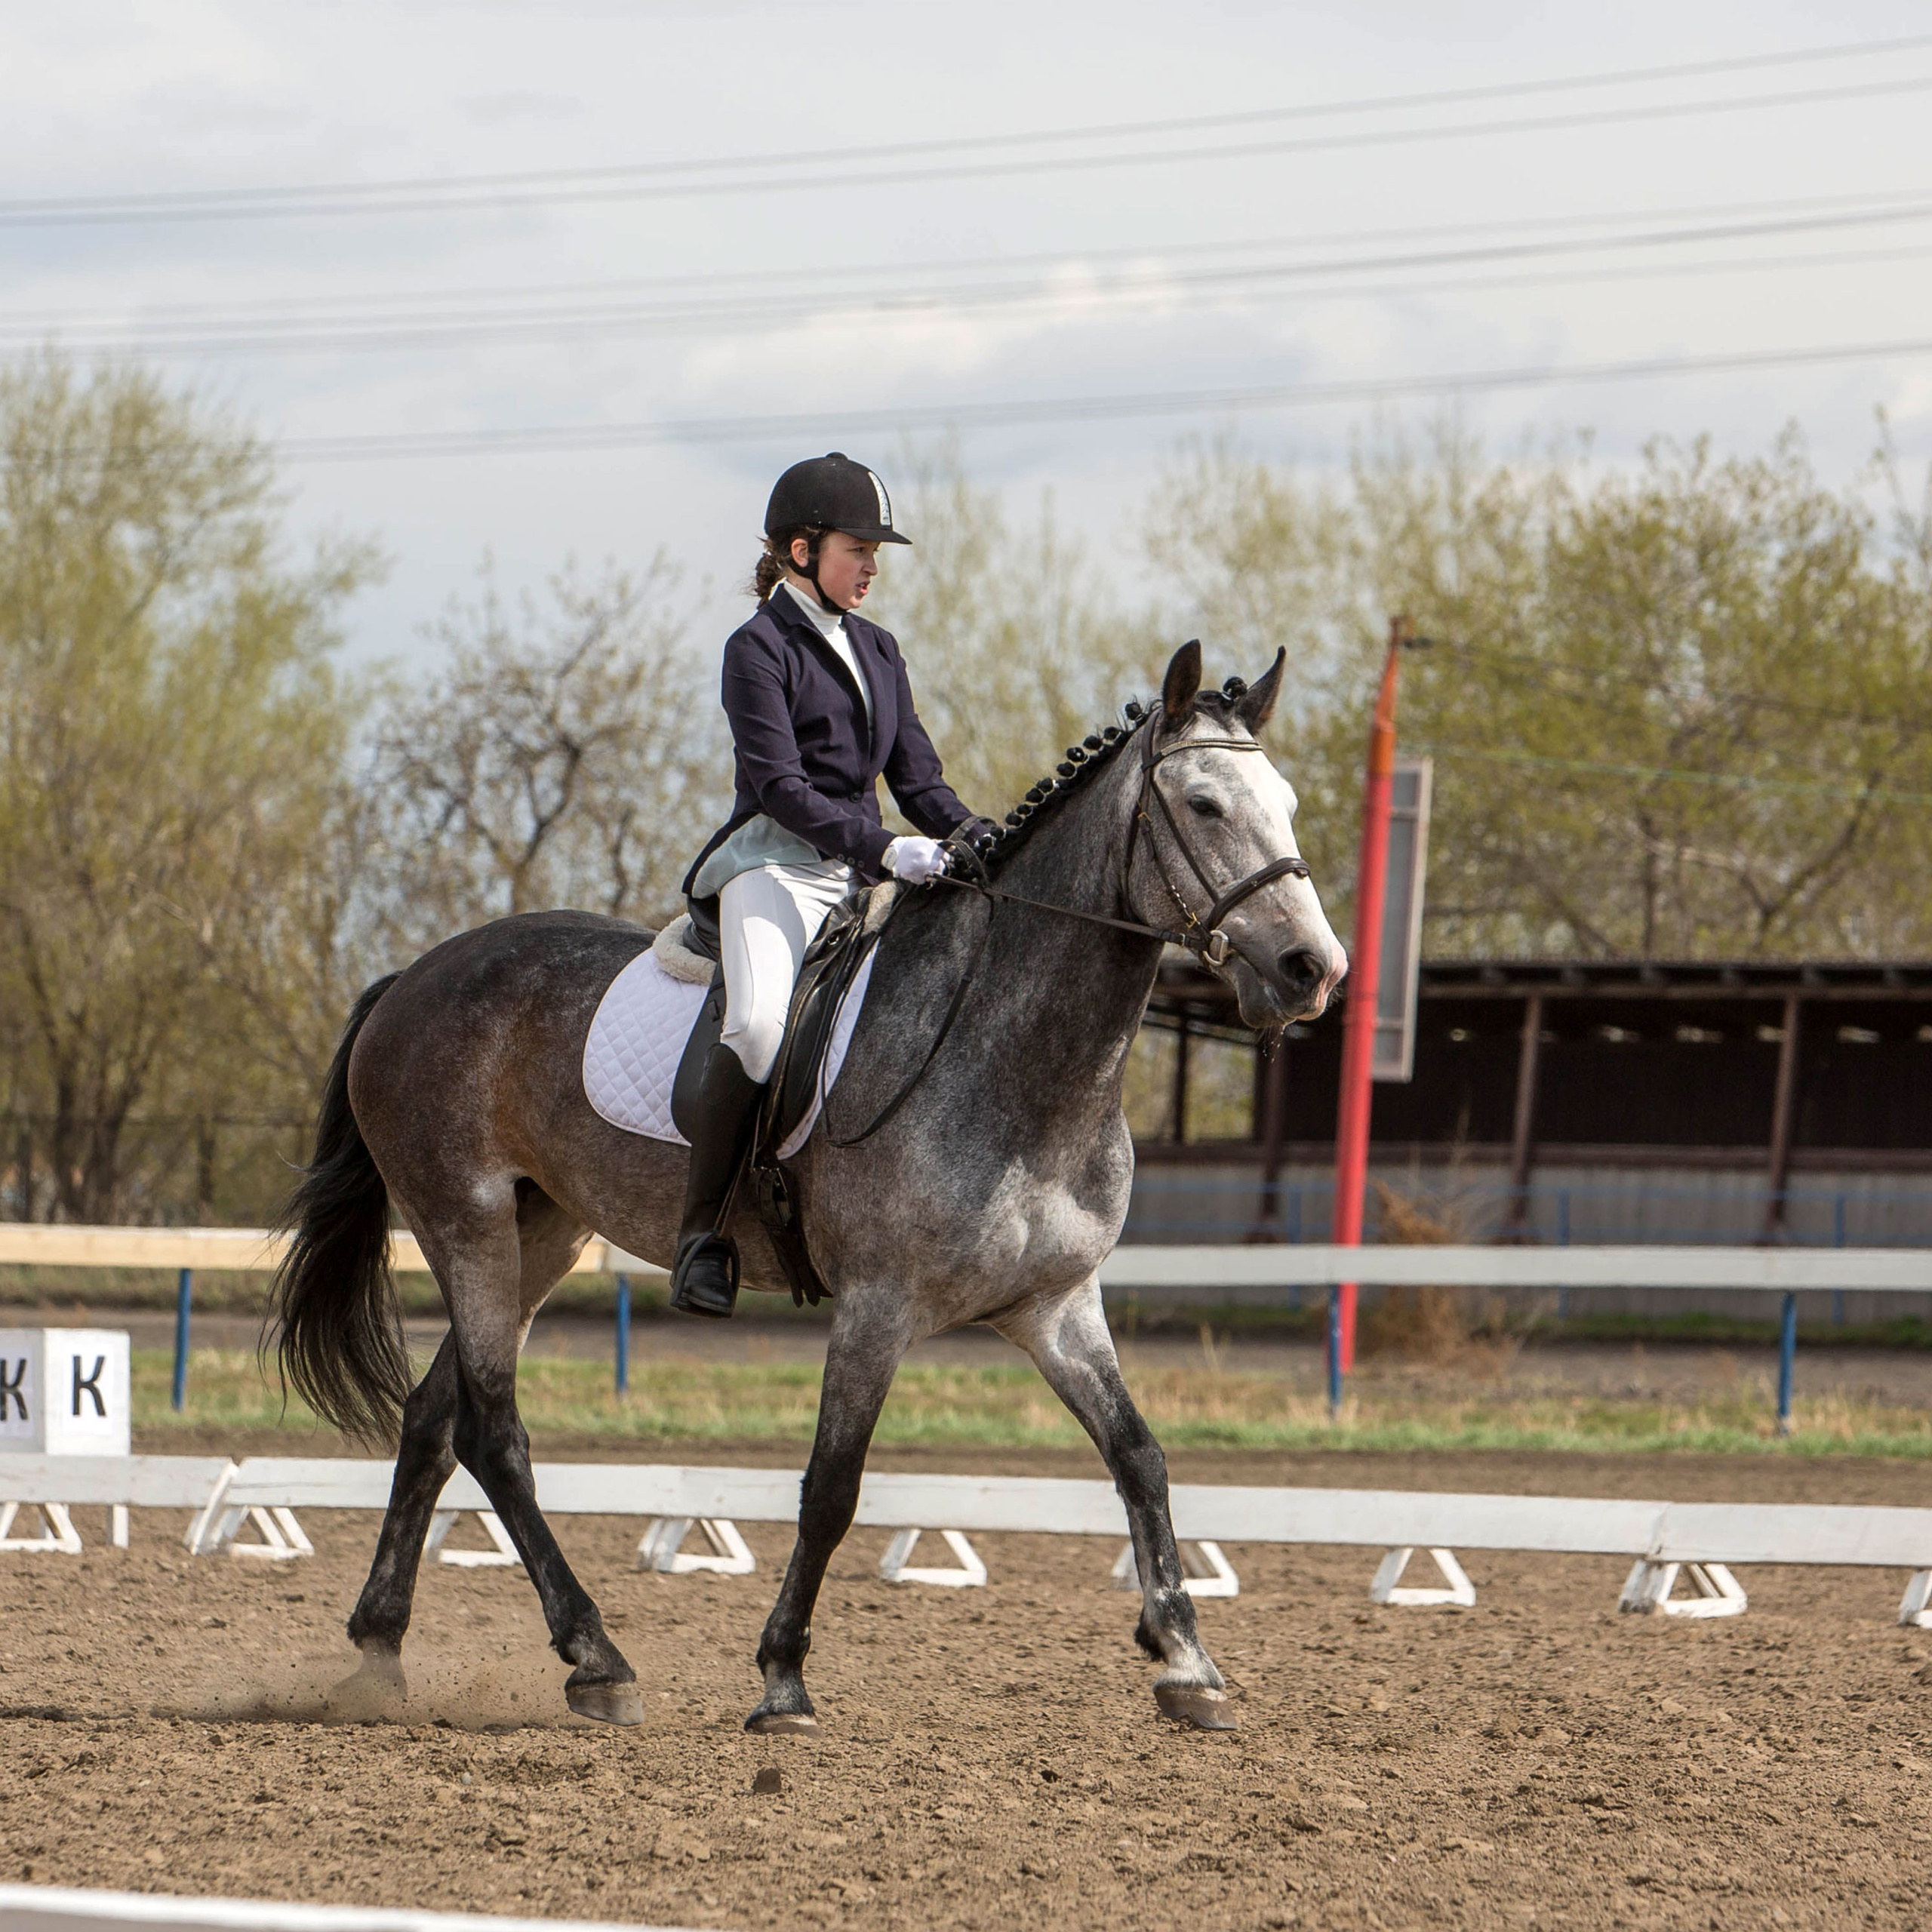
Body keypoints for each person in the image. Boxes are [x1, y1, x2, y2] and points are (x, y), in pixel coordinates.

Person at [670, 453, 981, 1318]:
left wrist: (975, 832)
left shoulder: (879, 648)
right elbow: (780, 786)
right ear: (802, 550)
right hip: (774, 864)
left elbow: (920, 780)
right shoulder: (757, 649)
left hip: (862, 872)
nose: (874, 565)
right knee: (761, 1025)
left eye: (878, 551)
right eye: (859, 547)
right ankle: (701, 1237)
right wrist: (887, 848)